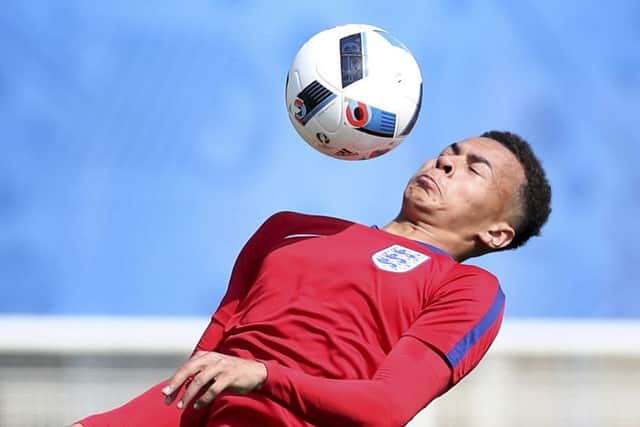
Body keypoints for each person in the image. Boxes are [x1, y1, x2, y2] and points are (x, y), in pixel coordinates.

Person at [72, 130, 551, 427]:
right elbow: (200, 379)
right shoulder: (287, 229)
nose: (444, 162)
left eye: (474, 169)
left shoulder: (467, 289)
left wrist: (264, 376)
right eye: (450, 151)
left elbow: (386, 408)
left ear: (497, 232)